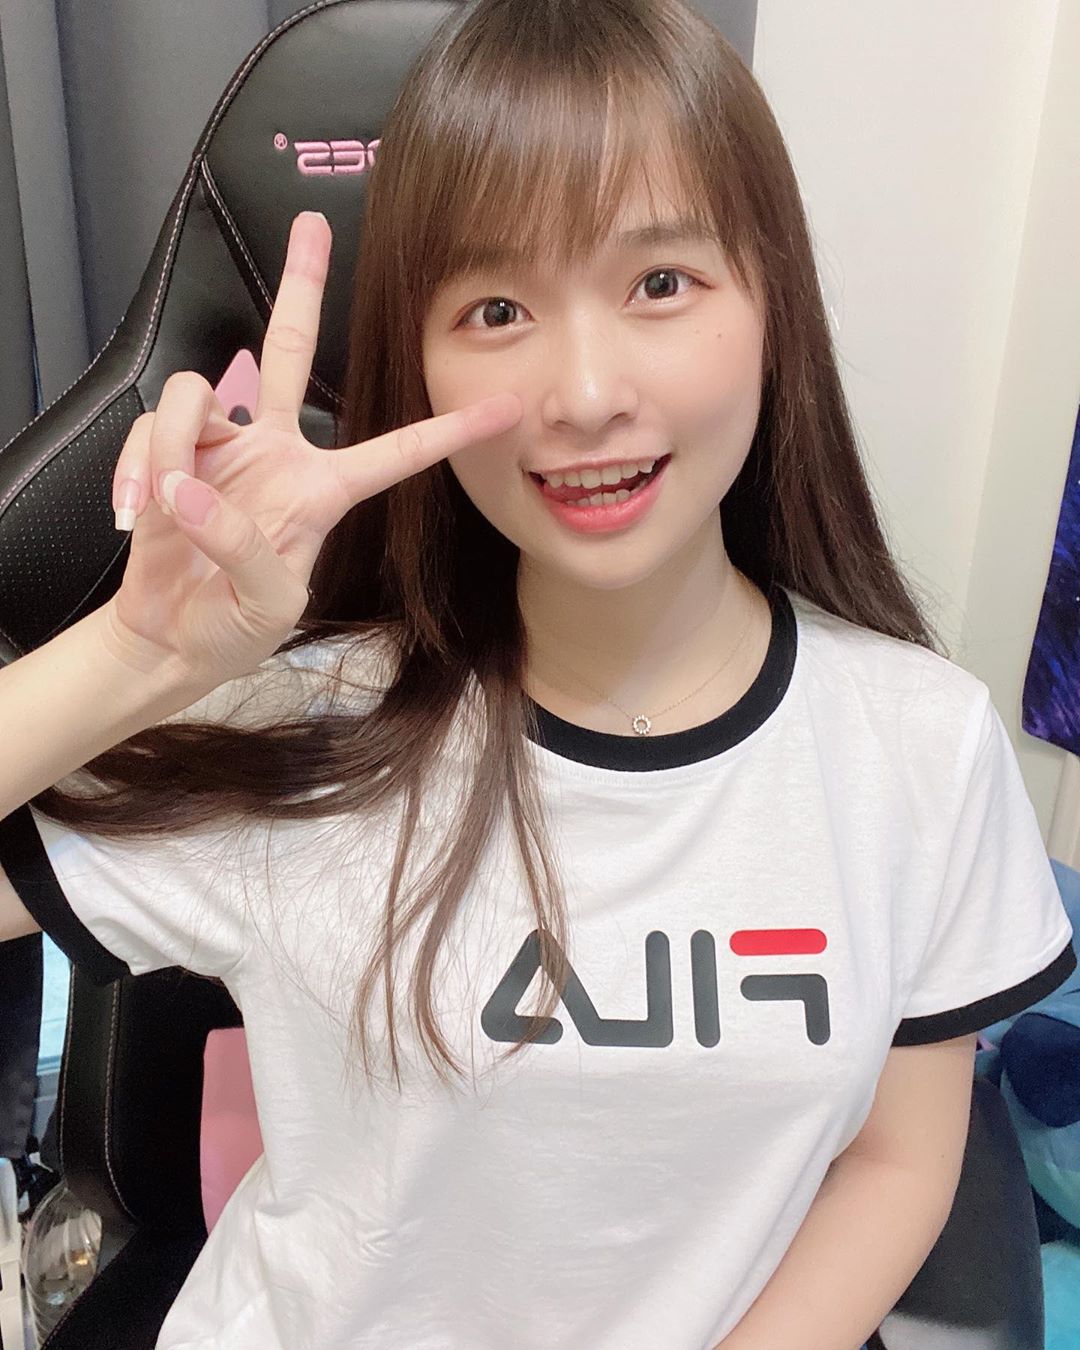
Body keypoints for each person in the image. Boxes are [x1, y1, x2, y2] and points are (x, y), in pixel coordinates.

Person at [0, 0, 1074, 1346]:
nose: (583, 393)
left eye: (660, 283)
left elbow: (899, 1161)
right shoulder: (310, 719)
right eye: (497, 307)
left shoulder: (919, 743)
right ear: (421, 359)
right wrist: (136, 657)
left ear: (773, 303)